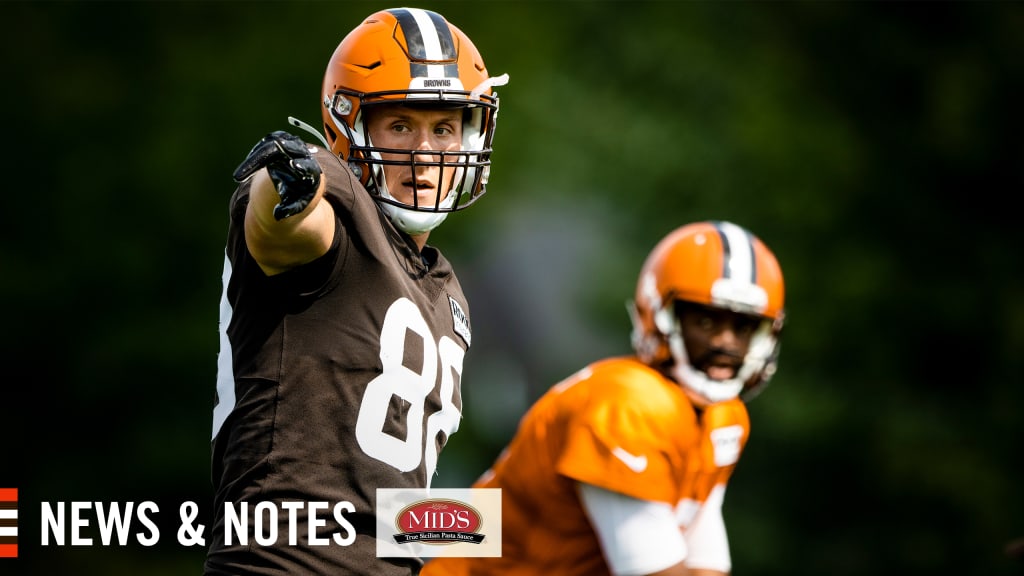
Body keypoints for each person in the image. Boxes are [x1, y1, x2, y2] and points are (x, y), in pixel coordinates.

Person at [204, 7, 508, 576]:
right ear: (350, 128)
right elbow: (283, 228)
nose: (424, 155)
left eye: (443, 129)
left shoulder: (447, 294)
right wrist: (287, 184)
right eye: (400, 126)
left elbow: (384, 508)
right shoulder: (336, 202)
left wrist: (502, 526)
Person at [423, 220, 786, 576]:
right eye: (706, 322)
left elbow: (704, 548)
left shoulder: (724, 417)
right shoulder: (627, 404)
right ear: (660, 313)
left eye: (742, 327)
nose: (725, 342)